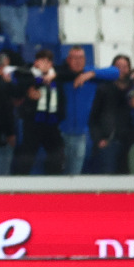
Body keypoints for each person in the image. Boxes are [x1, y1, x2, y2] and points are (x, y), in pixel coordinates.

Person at [14, 50, 66, 176]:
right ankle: (20, 182)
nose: (45, 64)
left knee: (57, 155)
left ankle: (53, 180)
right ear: (36, 62)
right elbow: (20, 85)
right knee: (26, 157)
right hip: (33, 124)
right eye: (42, 61)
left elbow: (68, 74)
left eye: (48, 62)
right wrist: (37, 82)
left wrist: (60, 116)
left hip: (52, 123)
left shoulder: (56, 77)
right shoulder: (27, 75)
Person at [56, 46, 99, 175]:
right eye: (74, 58)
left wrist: (91, 74)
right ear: (68, 60)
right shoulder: (61, 76)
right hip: (60, 132)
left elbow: (115, 72)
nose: (78, 61)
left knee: (74, 173)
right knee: (59, 172)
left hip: (80, 134)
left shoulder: (92, 75)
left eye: (81, 58)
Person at [88, 54, 133, 175]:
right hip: (109, 141)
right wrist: (99, 139)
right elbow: (93, 118)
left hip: (130, 142)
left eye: (125, 67)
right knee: (108, 176)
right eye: (118, 67)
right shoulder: (103, 89)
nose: (121, 70)